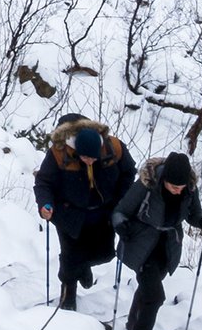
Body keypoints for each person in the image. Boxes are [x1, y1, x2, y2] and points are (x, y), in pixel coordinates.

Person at [33, 114, 137, 312]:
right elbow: (43, 182)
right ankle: (68, 297)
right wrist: (45, 204)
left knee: (105, 254)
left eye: (93, 158)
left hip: (102, 212)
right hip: (68, 213)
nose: (89, 161)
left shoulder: (114, 148)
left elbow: (129, 172)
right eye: (85, 157)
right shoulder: (59, 153)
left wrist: (120, 200)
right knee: (71, 257)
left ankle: (83, 266)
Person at [112, 151, 202, 330]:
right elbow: (121, 211)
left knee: (148, 288)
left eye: (181, 187)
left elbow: (194, 214)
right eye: (174, 187)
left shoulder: (189, 188)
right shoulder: (147, 183)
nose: (178, 191)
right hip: (142, 243)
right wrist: (120, 225)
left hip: (168, 246)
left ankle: (133, 322)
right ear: (164, 179)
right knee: (155, 296)